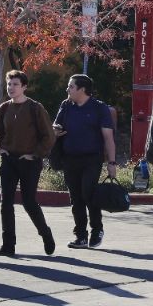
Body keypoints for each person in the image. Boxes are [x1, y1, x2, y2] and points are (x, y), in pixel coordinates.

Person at [0, 69, 56, 257]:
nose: (11, 88)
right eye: (9, 84)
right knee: (6, 204)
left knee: (29, 202)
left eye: (15, 84)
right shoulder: (3, 108)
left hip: (29, 161)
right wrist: (0, 147)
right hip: (9, 160)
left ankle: (46, 234)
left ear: (24, 87)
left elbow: (48, 136)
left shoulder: (35, 108)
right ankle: (8, 245)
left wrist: (35, 154)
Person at [54, 74, 117, 249]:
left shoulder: (99, 108)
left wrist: (111, 163)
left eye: (71, 87)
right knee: (76, 198)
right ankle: (80, 236)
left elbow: (108, 137)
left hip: (92, 158)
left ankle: (97, 230)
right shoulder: (66, 105)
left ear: (82, 90)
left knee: (88, 193)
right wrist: (55, 131)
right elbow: (56, 126)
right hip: (69, 158)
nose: (67, 90)